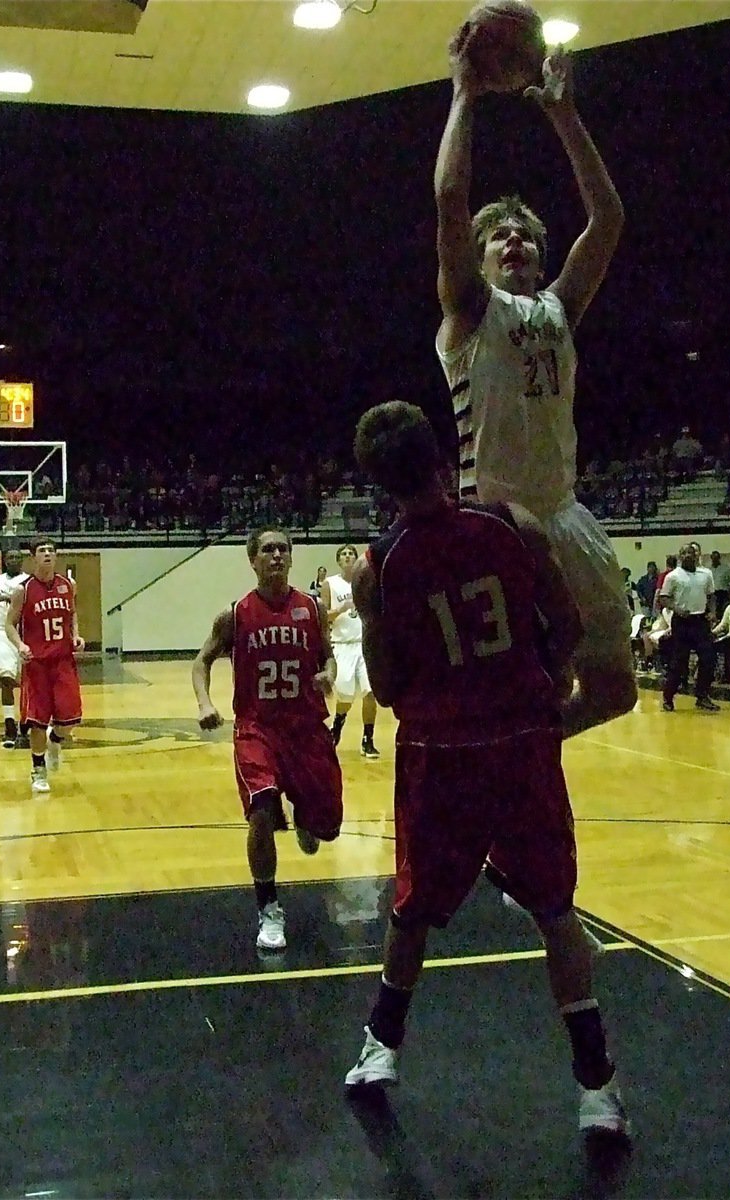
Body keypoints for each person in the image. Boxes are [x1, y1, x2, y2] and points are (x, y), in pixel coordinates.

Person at [343, 401, 628, 1139]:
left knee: (413, 912)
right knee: (556, 913)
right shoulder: (514, 526)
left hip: (441, 754)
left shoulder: (383, 565)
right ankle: (597, 1090)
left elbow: (387, 688)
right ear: (444, 462)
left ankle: (382, 1046)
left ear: (380, 485)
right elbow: (567, 627)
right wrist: (537, 684)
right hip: (519, 745)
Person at [433, 31, 635, 738]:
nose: (515, 240)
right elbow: (451, 199)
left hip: (565, 514)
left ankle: (524, 752)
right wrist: (463, 95)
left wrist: (564, 114)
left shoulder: (559, 308)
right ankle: (497, 784)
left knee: (615, 691)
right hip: (492, 526)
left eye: (525, 234)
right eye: (501, 236)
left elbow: (608, 219)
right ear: (479, 258)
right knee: (505, 685)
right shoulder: (469, 310)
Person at [191, 527, 342, 952]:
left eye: (283, 549)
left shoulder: (311, 608)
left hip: (308, 729)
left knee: (327, 830)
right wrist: (204, 703)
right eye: (268, 549)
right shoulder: (236, 614)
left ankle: (308, 818)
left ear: (291, 558)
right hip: (258, 728)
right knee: (260, 809)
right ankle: (269, 907)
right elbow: (200, 662)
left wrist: (328, 673)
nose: (276, 555)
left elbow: (326, 655)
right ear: (252, 560)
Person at [4, 538, 84, 794]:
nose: (48, 554)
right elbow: (9, 624)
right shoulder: (23, 590)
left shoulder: (67, 585)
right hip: (37, 664)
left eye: (51, 550)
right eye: (42, 551)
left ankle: (55, 742)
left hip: (63, 661)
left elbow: (72, 614)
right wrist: (20, 646)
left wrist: (76, 636)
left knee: (70, 718)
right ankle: (38, 769)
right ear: (33, 558)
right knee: (37, 721)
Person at [323, 544, 380, 758]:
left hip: (364, 643)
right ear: (338, 561)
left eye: (351, 554)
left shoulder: (365, 581)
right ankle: (338, 723)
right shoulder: (330, 584)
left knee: (370, 692)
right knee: (345, 697)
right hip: (342, 645)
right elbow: (324, 616)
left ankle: (368, 739)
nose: (348, 557)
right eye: (344, 554)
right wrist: (340, 609)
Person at [658, 544, 719, 711]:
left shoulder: (706, 574)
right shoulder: (673, 576)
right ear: (679, 556)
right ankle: (668, 697)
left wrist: (712, 612)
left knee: (708, 658)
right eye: (684, 553)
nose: (687, 555)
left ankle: (702, 696)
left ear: (696, 555)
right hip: (682, 621)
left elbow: (711, 596)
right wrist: (676, 608)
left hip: (700, 621)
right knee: (679, 662)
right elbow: (664, 598)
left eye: (690, 553)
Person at [0, 549, 30, 748]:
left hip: (25, 633)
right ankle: (9, 724)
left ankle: (27, 723)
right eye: (10, 557)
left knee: (29, 682)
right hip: (1, 632)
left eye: (17, 557)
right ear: (5, 560)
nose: (14, 560)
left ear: (22, 561)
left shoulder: (29, 581)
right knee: (6, 678)